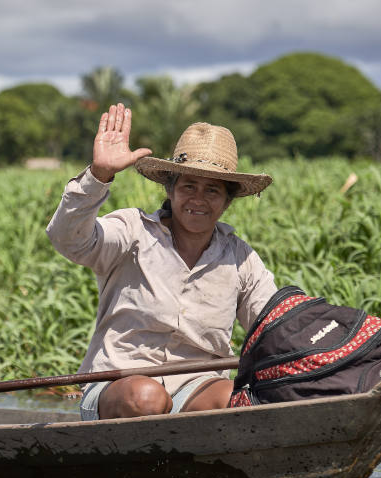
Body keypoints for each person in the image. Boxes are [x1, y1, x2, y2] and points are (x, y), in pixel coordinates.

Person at [46, 103, 278, 420]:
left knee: (235, 399)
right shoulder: (132, 233)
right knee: (146, 398)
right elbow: (68, 238)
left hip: (196, 388)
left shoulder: (240, 259)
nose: (198, 199)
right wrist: (99, 175)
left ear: (226, 201)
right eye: (188, 186)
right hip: (119, 387)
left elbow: (272, 328)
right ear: (170, 190)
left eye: (212, 190)